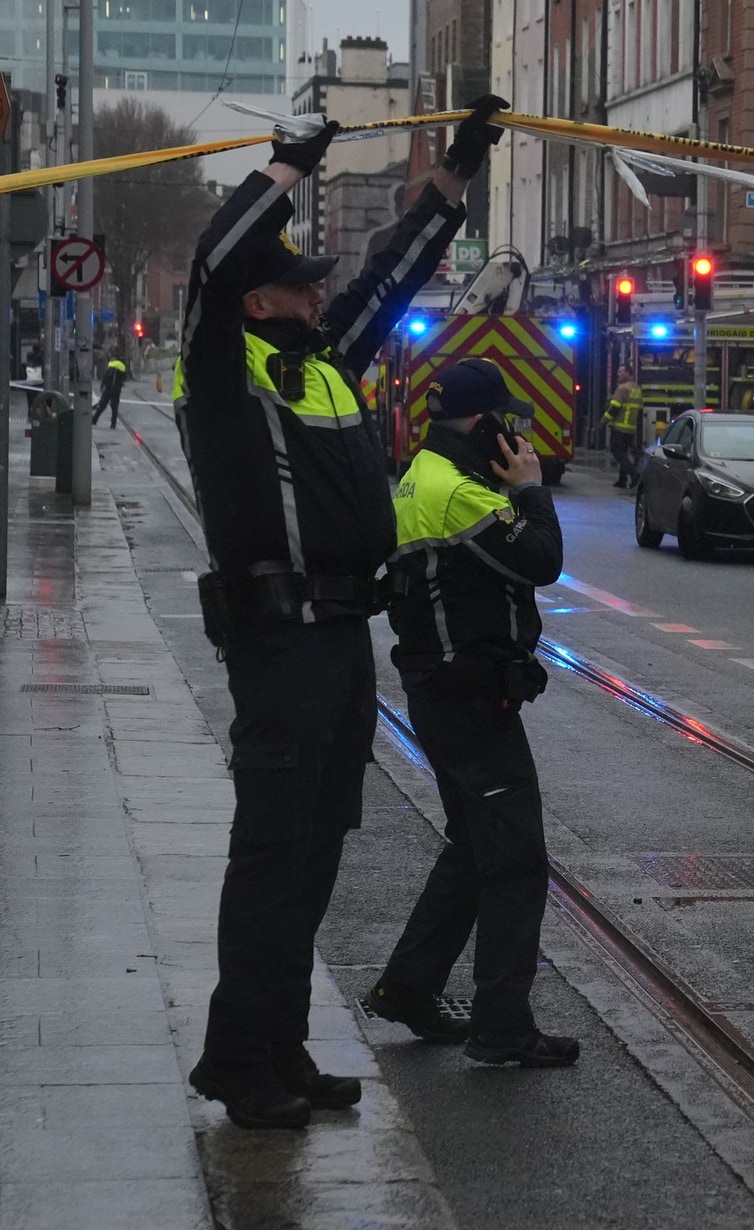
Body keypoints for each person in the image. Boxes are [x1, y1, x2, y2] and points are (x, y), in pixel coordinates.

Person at [177, 97, 510, 1129]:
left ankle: (280, 1044)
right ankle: (239, 1059)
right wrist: (287, 166)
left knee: (316, 852)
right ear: (258, 300)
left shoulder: (323, 365)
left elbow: (390, 276)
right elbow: (210, 263)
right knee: (274, 854)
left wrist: (455, 174)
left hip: (339, 641)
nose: (318, 296)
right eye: (298, 284)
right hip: (278, 641)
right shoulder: (222, 367)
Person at [365, 358, 578, 1068]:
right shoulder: (456, 493)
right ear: (481, 423)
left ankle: (408, 987)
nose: (515, 431)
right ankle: (502, 1026)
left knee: (474, 847)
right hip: (468, 698)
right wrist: (531, 489)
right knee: (515, 859)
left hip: (447, 690)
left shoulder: (425, 474)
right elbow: (541, 559)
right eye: (506, 419)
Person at [604, 370, 643, 488]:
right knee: (624, 453)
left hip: (620, 427)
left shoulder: (622, 388)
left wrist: (604, 420)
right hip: (630, 428)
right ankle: (622, 480)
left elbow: (614, 408)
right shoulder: (637, 389)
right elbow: (639, 409)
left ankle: (633, 472)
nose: (618, 374)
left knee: (617, 452)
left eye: (621, 372)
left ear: (628, 373)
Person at [92, 354, 128, 428]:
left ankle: (94, 420)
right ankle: (113, 424)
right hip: (116, 390)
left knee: (102, 405)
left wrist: (102, 386)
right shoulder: (121, 367)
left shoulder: (111, 367)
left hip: (109, 389)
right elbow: (124, 378)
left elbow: (105, 378)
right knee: (114, 407)